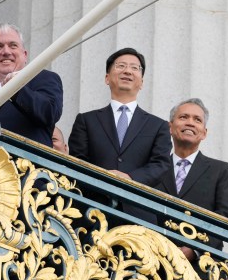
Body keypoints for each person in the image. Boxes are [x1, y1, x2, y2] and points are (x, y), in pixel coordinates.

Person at [68, 47, 170, 186]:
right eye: (121, 66)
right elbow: (77, 161)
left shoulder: (158, 126)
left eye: (135, 68)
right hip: (94, 201)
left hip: (136, 204)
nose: (127, 71)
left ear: (141, 83)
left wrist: (130, 178)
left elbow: (160, 165)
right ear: (107, 78)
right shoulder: (86, 121)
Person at [153, 98, 228, 261]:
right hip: (153, 261)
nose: (190, 123)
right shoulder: (154, 168)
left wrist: (194, 249)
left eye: (197, 120)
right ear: (170, 127)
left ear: (204, 132)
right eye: (183, 117)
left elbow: (224, 219)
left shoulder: (221, 171)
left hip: (200, 269)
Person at [0, 24, 63, 148]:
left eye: (13, 45)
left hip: (25, 164)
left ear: (24, 55)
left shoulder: (44, 78)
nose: (6, 52)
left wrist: (16, 89)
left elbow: (49, 113)